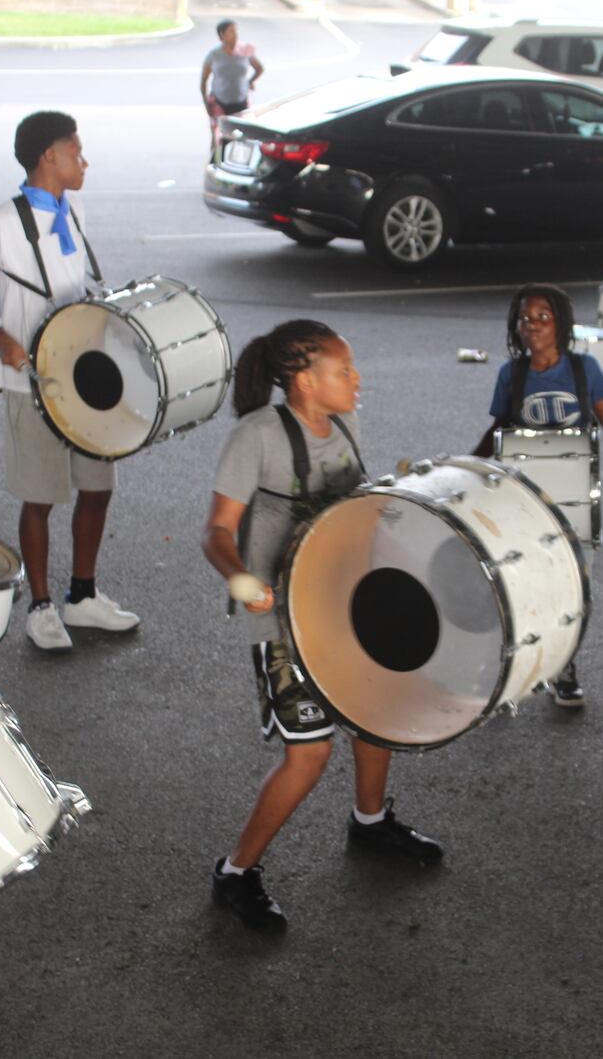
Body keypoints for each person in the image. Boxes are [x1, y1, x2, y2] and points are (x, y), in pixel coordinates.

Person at [202, 320, 442, 932]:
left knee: (374, 716)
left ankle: (369, 823)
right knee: (308, 756)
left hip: (348, 604)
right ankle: (236, 873)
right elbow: (218, 532)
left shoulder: (343, 425)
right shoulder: (256, 436)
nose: (356, 379)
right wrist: (242, 580)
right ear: (305, 381)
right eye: (344, 370)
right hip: (284, 624)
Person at [0, 110, 140, 652]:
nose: (84, 161)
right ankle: (40, 605)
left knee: (98, 488)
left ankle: (83, 595)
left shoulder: (72, 207)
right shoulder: (1, 221)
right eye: (76, 151)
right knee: (40, 496)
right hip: (31, 381)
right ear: (48, 157)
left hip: (85, 375)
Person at [470, 283, 603, 706]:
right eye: (525, 319)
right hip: (525, 498)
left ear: (561, 324)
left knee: (572, 587)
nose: (533, 326)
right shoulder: (512, 375)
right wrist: (467, 468)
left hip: (575, 497)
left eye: (543, 317)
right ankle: (509, 666)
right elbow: (499, 430)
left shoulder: (584, 370)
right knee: (519, 582)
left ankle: (563, 667)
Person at [200, 19, 264, 140]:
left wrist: (250, 82)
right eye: (231, 31)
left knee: (241, 137)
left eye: (236, 31)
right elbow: (203, 80)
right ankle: (216, 156)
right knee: (218, 138)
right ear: (222, 35)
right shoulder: (213, 55)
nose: (235, 34)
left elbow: (260, 68)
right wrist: (206, 103)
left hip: (241, 101)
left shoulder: (245, 50)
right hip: (219, 102)